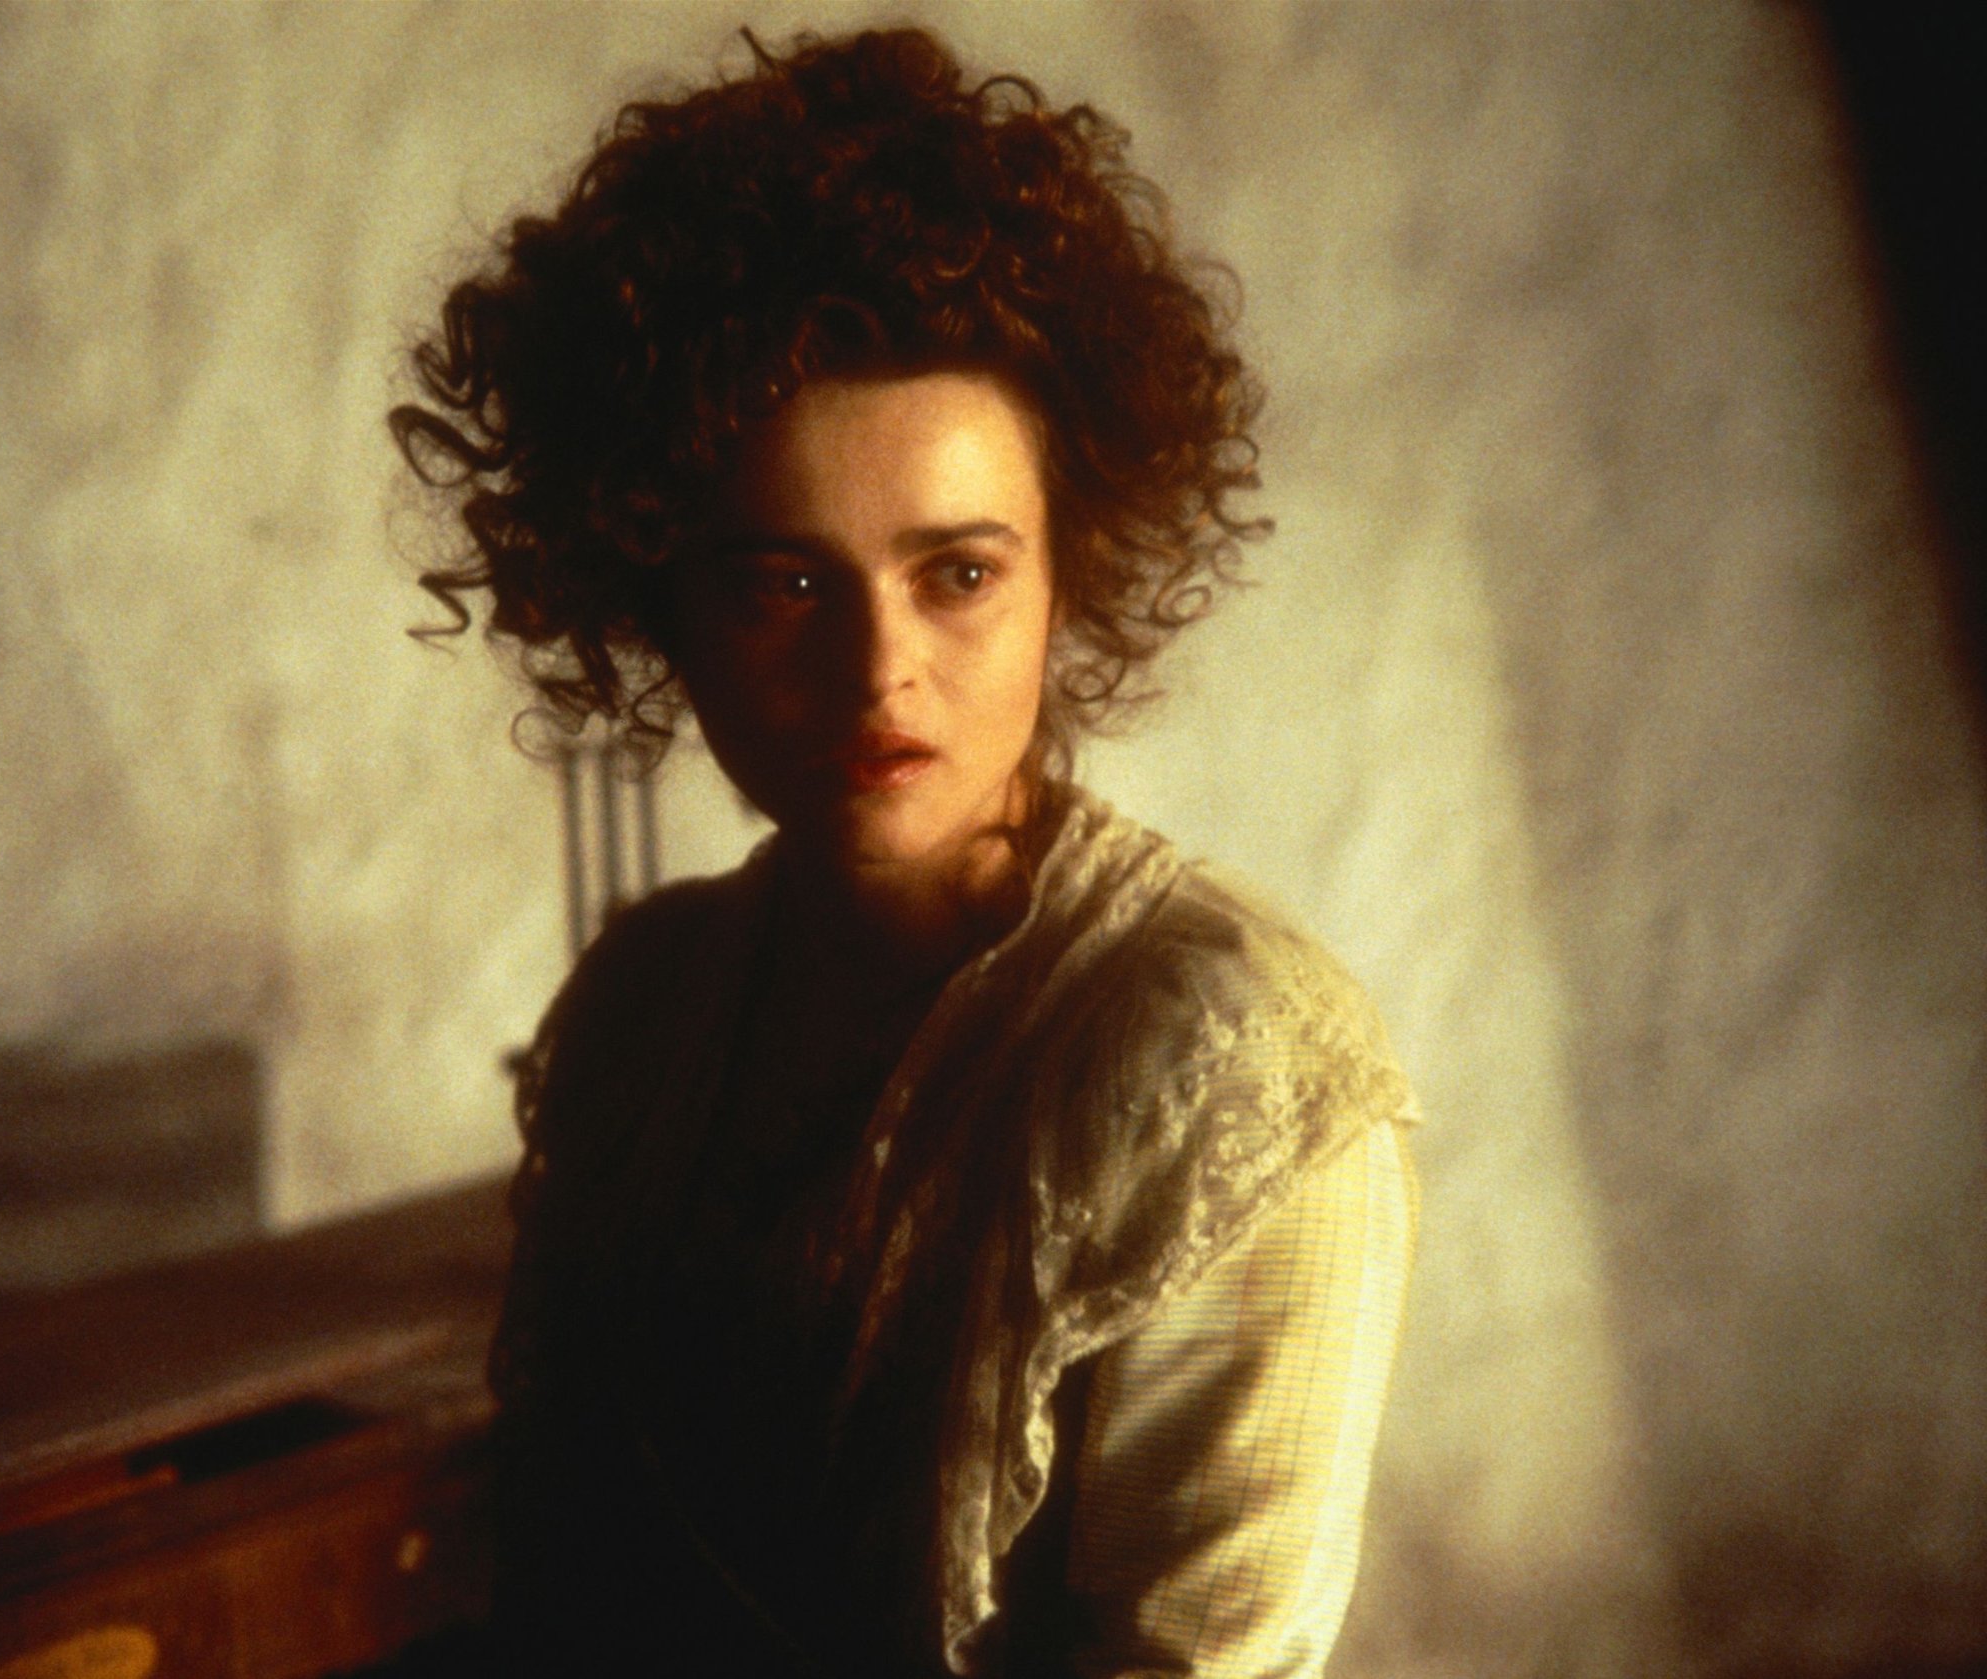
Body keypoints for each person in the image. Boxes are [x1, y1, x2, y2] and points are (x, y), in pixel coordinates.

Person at [390, 27, 1419, 1678]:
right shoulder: (645, 1013)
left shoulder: (1231, 1078)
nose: (880, 672)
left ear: (1067, 576)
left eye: (959, 575)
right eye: (784, 584)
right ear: (660, 601)